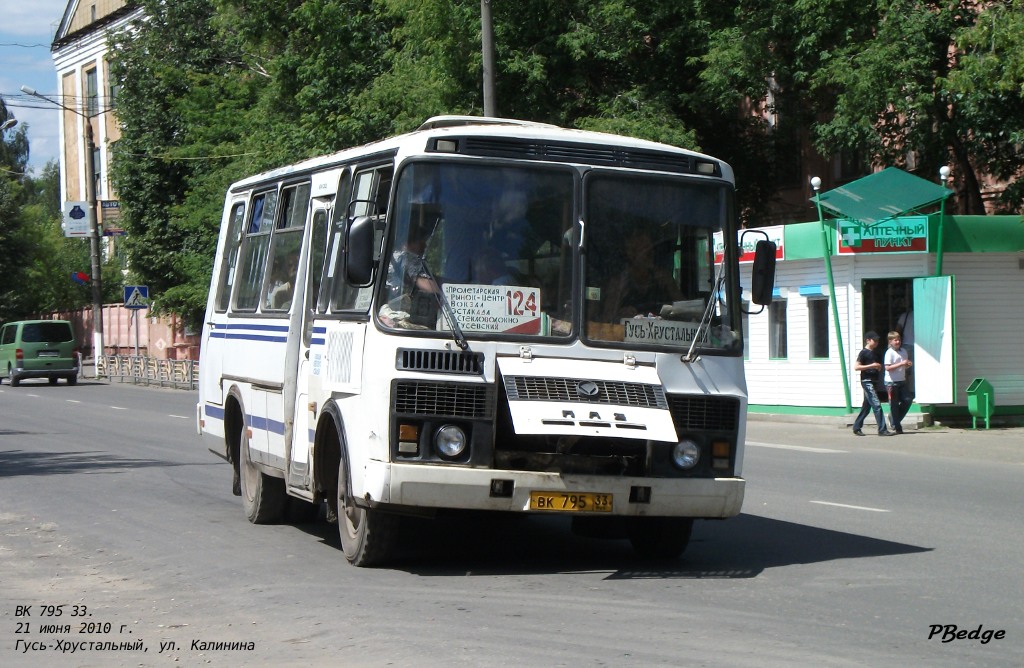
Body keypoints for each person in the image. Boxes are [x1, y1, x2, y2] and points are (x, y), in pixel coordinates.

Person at [851, 331, 892, 436]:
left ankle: (856, 426)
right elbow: (857, 367)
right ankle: (882, 429)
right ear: (868, 340)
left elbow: (876, 366)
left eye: (878, 340)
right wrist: (871, 366)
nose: (877, 342)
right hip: (867, 381)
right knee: (876, 404)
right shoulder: (863, 353)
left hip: (874, 381)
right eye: (874, 340)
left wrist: (878, 367)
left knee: (867, 406)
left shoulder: (875, 353)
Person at [884, 330, 913, 434]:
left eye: (899, 339)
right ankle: (897, 426)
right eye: (895, 340)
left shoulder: (903, 351)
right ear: (890, 341)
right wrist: (901, 364)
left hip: (902, 380)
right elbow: (887, 368)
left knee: (908, 400)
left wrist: (907, 364)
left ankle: (893, 419)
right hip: (891, 383)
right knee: (894, 405)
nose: (898, 342)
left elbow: (904, 364)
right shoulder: (889, 353)